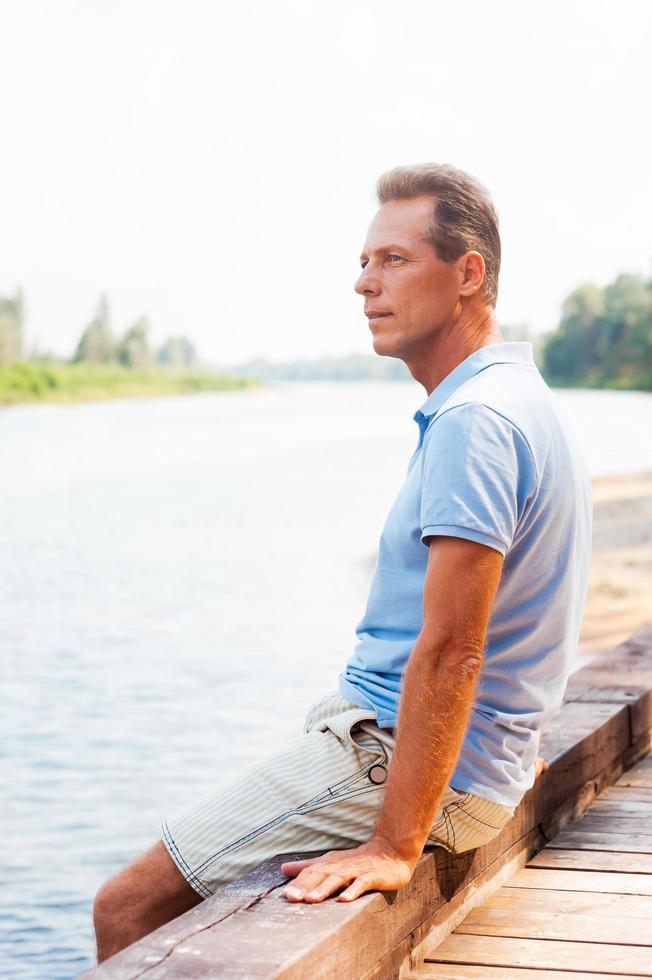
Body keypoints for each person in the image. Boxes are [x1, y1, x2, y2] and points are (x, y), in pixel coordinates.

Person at [92, 163, 592, 962]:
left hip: (404, 757)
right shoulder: (519, 397)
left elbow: (454, 649)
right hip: (449, 750)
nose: (365, 283)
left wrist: (395, 845)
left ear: (469, 274)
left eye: (394, 260)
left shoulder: (476, 421)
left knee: (127, 908)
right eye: (364, 262)